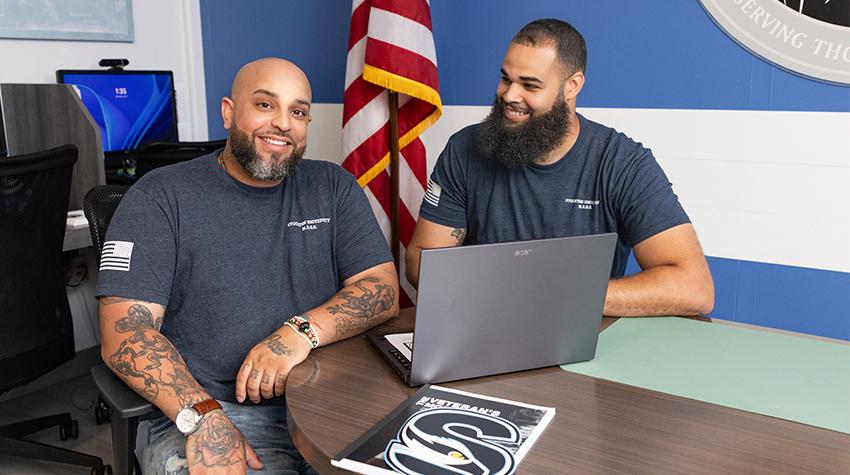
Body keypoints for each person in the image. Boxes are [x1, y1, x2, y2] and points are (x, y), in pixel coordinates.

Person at [97, 58, 399, 474]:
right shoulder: (160, 196)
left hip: (328, 398)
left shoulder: (333, 186)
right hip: (208, 408)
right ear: (228, 112)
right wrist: (203, 417)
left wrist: (300, 332)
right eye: (264, 105)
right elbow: (126, 334)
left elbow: (381, 289)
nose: (282, 124)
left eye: (297, 111)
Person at [407, 19, 714, 317]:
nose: (510, 95)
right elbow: (421, 260)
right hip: (481, 325)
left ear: (572, 86)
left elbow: (694, 288)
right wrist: (506, 296)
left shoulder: (623, 163)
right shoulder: (464, 150)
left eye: (530, 85)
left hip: (580, 337)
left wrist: (557, 296)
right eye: (505, 79)